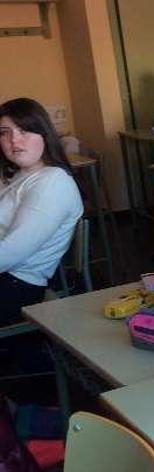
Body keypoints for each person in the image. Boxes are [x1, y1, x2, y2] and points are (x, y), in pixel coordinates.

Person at [0, 98, 83, 326]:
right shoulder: (17, 175)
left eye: (24, 130)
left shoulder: (52, 182)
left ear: (44, 134)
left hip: (16, 288)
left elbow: (11, 252)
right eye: (4, 132)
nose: (14, 140)